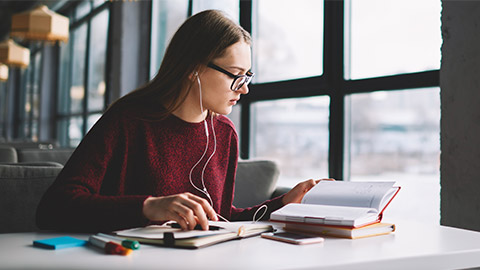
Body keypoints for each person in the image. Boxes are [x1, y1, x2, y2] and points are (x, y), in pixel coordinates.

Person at [36, 9, 322, 233]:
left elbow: (220, 218)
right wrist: (148, 208)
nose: (244, 88)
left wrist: (282, 204)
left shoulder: (223, 133)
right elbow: (55, 206)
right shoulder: (128, 119)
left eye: (247, 76)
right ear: (193, 68)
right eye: (235, 75)